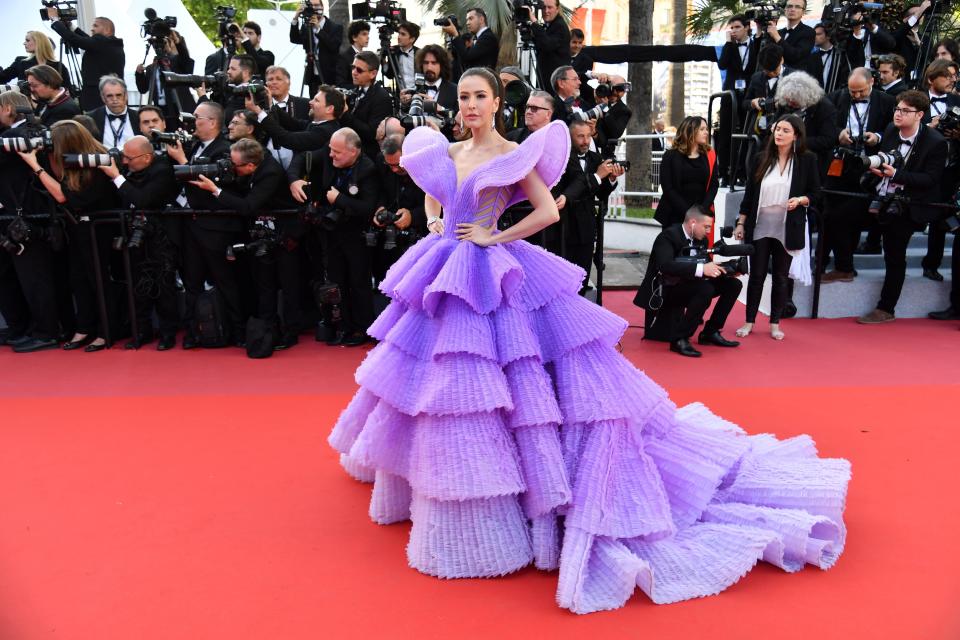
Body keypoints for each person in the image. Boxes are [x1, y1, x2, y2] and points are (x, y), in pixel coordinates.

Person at [327, 66, 851, 614]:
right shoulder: (449, 150)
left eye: (480, 96)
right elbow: (435, 194)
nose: (470, 106)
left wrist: (493, 234)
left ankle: (509, 498)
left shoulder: (515, 152)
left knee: (511, 379)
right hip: (445, 268)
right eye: (463, 97)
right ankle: (435, 476)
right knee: (441, 379)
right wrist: (437, 222)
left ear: (497, 101)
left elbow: (549, 209)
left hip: (494, 268)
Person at [17, 120, 120, 352]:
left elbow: (66, 197)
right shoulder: (65, 161)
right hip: (77, 229)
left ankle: (107, 330)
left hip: (99, 230)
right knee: (78, 279)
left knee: (98, 280)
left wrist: (36, 166)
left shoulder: (97, 162)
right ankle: (84, 327)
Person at [857, 90, 947, 324]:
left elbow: (930, 179)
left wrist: (897, 174)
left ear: (920, 115)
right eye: (897, 109)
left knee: (895, 255)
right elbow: (885, 157)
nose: (898, 114)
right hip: (883, 196)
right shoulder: (890, 130)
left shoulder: (935, 142)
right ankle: (844, 268)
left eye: (905, 111)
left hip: (910, 205)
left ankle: (886, 308)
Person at [735, 114, 820, 340]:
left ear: (796, 136)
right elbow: (750, 195)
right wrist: (741, 222)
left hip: (788, 224)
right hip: (761, 224)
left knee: (782, 277)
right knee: (757, 276)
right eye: (777, 129)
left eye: (785, 130)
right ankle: (749, 321)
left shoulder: (807, 160)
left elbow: (816, 193)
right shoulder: (760, 158)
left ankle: (774, 323)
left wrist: (801, 200)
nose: (779, 134)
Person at [98, 135, 181, 350]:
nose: (124, 162)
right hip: (134, 236)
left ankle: (167, 334)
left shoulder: (163, 171)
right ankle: (141, 331)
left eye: (129, 158)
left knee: (164, 287)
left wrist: (117, 177)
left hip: (161, 239)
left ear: (146, 158)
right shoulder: (130, 171)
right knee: (137, 287)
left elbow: (143, 199)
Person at [0, 90, 61, 353]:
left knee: (34, 277)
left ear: (8, 108)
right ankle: (29, 328)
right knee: (23, 276)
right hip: (26, 215)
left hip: (25, 216)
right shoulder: (36, 130)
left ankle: (46, 332)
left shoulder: (14, 135)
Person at [821, 68, 895, 284]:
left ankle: (844, 265)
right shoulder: (835, 97)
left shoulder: (887, 101)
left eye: (861, 91)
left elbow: (892, 129)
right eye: (852, 92)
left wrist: (877, 137)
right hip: (838, 165)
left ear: (872, 82)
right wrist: (838, 134)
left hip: (868, 169)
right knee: (831, 215)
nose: (856, 96)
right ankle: (833, 263)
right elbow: (826, 126)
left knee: (850, 218)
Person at [47, 11, 124, 111]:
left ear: (107, 29)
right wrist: (71, 27)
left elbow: (76, 40)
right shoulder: (112, 44)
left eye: (96, 26)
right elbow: (87, 40)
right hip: (111, 95)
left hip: (97, 97)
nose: (92, 29)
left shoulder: (101, 42)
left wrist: (55, 21)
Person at [654, 116, 719, 227]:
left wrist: (702, 211)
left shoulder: (709, 155)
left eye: (707, 129)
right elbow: (668, 188)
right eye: (702, 129)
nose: (706, 132)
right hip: (674, 215)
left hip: (700, 217)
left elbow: (714, 185)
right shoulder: (670, 156)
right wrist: (689, 213)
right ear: (690, 131)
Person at [338, 51, 394, 160]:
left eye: (359, 70)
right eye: (353, 67)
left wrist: (345, 114)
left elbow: (372, 133)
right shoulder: (355, 91)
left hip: (366, 156)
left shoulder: (382, 97)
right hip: (348, 147)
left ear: (373, 74)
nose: (354, 72)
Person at [290, 0, 343, 95]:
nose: (313, 8)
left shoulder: (335, 27)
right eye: (311, 6)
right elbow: (295, 39)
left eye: (316, 5)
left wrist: (318, 29)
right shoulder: (306, 27)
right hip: (312, 76)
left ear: (322, 7)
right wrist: (296, 18)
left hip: (329, 76)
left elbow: (333, 46)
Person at [87, 76, 140, 150]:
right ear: (102, 97)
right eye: (109, 96)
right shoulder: (92, 118)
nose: (115, 100)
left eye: (118, 95)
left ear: (126, 95)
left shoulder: (138, 117)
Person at [526, 0, 569, 90]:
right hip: (546, 81)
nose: (546, 11)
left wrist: (534, 21)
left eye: (550, 7)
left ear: (557, 9)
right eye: (543, 7)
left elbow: (547, 45)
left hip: (555, 83)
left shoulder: (559, 26)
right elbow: (541, 44)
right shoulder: (549, 25)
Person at [0, 31, 69, 85]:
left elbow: (67, 90)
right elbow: (2, 78)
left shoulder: (59, 66)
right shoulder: (21, 61)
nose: (24, 43)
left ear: (38, 42)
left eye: (27, 40)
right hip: (26, 102)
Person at [443, 8, 499, 73]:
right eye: (467, 20)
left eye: (471, 18)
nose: (467, 23)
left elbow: (467, 57)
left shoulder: (487, 37)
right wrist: (453, 34)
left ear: (481, 19)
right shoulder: (479, 37)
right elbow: (460, 57)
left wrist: (456, 35)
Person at [766, 0, 815, 68]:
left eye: (797, 7)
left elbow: (795, 56)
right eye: (789, 6)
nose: (792, 9)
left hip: (794, 76)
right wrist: (759, 30)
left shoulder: (808, 32)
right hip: (774, 76)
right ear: (785, 9)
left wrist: (777, 37)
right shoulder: (779, 32)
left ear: (803, 12)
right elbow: (764, 55)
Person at [414, 44, 458, 114]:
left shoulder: (455, 91)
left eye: (434, 63)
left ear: (442, 65)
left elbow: (459, 118)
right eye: (426, 63)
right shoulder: (414, 89)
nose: (429, 67)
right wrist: (404, 106)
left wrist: (441, 109)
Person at [382, 21, 420, 91]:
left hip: (418, 94)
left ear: (412, 39)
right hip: (400, 95)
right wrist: (383, 60)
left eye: (403, 34)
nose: (399, 37)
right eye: (399, 33)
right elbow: (389, 75)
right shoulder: (393, 52)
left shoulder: (420, 53)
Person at [335, 21, 370, 88]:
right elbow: (340, 84)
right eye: (364, 34)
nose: (368, 37)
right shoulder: (344, 57)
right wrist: (361, 88)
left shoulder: (367, 56)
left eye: (368, 34)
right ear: (354, 37)